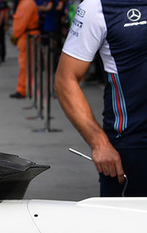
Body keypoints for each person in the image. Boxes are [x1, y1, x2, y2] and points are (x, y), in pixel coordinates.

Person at [54, 0, 147, 196]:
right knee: (126, 226)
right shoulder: (98, 6)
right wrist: (99, 144)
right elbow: (65, 80)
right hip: (133, 148)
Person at [9, 0, 39, 98]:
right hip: (26, 37)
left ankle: (23, 90)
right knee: (26, 64)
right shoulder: (25, 3)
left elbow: (21, 23)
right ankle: (25, 88)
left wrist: (15, 35)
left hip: (27, 37)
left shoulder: (27, 3)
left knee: (25, 65)